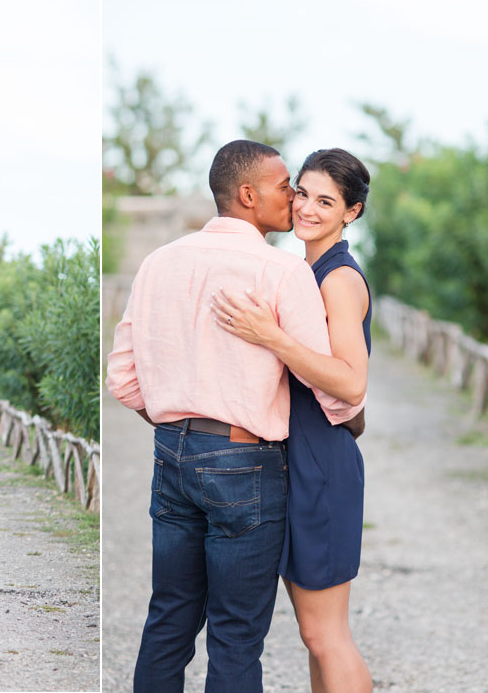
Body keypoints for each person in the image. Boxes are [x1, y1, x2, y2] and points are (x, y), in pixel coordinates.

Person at [106, 140, 363, 693]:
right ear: (248, 195)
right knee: (237, 633)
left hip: (170, 451)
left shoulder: (157, 263)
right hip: (245, 461)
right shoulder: (282, 272)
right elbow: (340, 397)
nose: (292, 197)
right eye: (283, 186)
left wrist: (183, 418)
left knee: (169, 618)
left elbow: (122, 379)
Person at [210, 147, 373, 693]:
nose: (306, 208)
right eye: (302, 193)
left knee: (327, 634)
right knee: (312, 634)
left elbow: (352, 381)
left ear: (351, 213)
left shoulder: (338, 280)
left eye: (326, 201)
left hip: (321, 464)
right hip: (292, 459)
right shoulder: (302, 271)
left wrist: (271, 337)